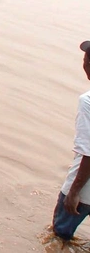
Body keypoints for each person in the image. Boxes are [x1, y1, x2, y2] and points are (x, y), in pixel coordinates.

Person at [52, 41, 90, 241]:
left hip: (85, 189)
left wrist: (74, 191)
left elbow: (88, 152)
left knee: (60, 234)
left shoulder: (87, 101)